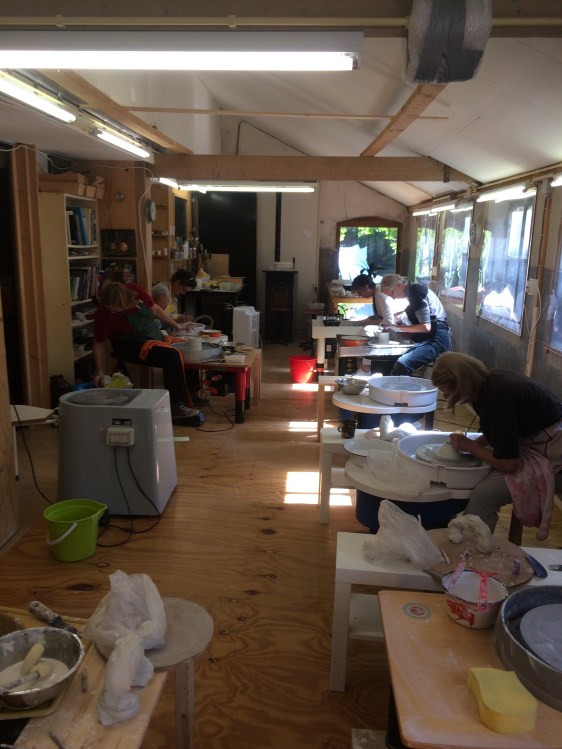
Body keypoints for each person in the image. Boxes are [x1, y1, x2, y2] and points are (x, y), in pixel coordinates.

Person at [431, 352, 562, 539]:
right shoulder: (486, 382)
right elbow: (501, 428)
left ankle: (473, 549)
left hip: (554, 449)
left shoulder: (497, 396)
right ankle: (452, 521)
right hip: (533, 436)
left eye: (447, 391)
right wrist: (475, 444)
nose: (445, 396)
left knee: (484, 494)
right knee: (474, 468)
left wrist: (471, 447)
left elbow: (510, 464)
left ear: (461, 384)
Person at [92, 282, 203, 425]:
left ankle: (191, 393)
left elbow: (155, 309)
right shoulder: (103, 315)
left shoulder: (136, 292)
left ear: (126, 301)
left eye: (117, 309)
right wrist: (100, 371)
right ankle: (176, 406)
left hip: (150, 336)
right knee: (171, 356)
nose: (113, 312)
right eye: (110, 309)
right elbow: (98, 343)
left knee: (186, 347)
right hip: (128, 344)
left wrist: (177, 325)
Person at [379, 273, 451, 375]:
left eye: (392, 294)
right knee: (391, 358)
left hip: (437, 339)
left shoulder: (415, 292)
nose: (393, 298)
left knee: (402, 364)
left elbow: (426, 327)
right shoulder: (412, 292)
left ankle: (399, 386)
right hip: (429, 337)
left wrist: (397, 327)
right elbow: (402, 317)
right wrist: (392, 326)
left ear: (399, 286)